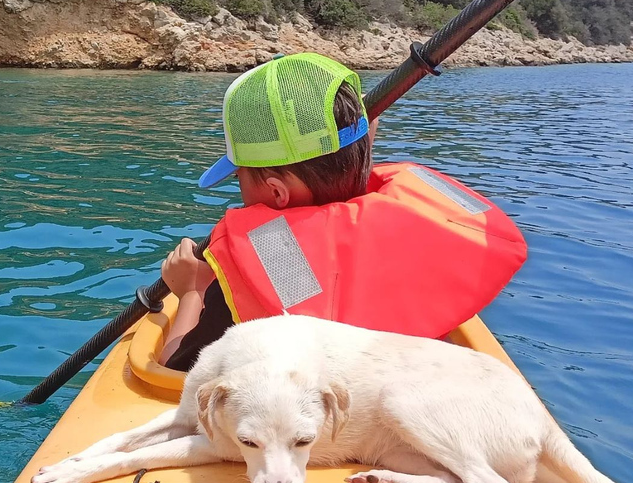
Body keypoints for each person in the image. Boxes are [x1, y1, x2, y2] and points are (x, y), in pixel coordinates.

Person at [159, 53, 527, 371]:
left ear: (276, 192)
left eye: (239, 176)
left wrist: (193, 291)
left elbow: (178, 371)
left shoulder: (251, 276)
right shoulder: (419, 231)